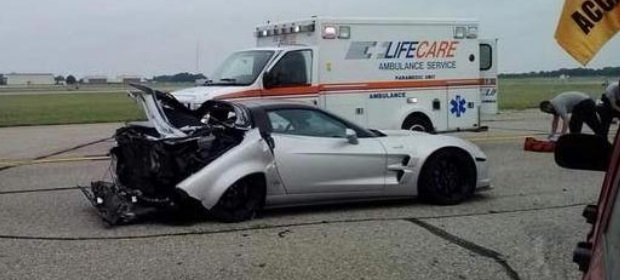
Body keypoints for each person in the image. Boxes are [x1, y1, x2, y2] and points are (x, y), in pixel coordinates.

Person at [539, 91, 604, 139]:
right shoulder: (553, 106)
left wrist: (562, 134)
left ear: (548, 106)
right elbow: (555, 121)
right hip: (588, 103)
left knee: (574, 124)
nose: (548, 112)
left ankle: (575, 141)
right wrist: (552, 133)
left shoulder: (557, 104)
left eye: (546, 110)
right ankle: (602, 137)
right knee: (592, 123)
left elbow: (566, 120)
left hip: (584, 103)